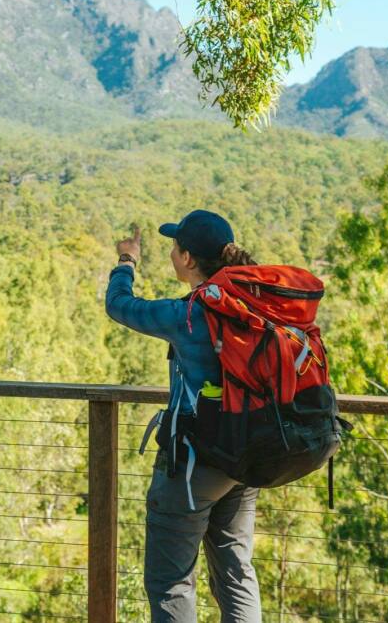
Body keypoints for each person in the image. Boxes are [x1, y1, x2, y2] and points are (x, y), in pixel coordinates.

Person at [105, 211, 263, 622]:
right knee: (235, 573)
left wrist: (126, 262)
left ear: (189, 259)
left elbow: (120, 306)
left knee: (171, 582)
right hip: (244, 458)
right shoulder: (254, 304)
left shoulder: (188, 315)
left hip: (195, 464)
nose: (172, 253)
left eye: (176, 248)